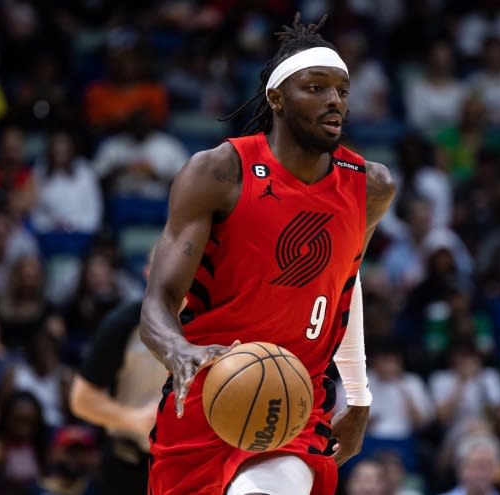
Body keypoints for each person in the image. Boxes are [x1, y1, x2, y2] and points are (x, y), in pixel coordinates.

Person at [139, 13, 396, 495]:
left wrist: (358, 396)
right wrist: (178, 351)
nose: (334, 100)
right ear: (276, 98)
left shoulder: (371, 186)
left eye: (341, 90)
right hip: (206, 392)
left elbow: (344, 283)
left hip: (294, 400)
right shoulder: (218, 172)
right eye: (316, 88)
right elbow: (160, 299)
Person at [69, 247, 169, 495]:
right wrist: (135, 419)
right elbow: (81, 399)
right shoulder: (122, 323)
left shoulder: (210, 325)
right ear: (147, 273)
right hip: (129, 465)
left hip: (191, 463)